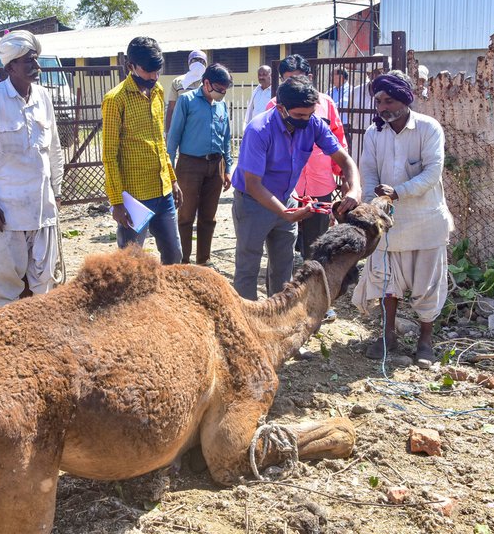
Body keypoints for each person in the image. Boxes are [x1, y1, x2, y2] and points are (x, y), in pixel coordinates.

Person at [352, 71, 453, 368]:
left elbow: (432, 173)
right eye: (378, 101)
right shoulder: (374, 133)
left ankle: (425, 340)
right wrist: (375, 204)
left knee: (428, 284)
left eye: (389, 100)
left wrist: (399, 192)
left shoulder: (428, 128)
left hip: (425, 222)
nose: (382, 107)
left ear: (405, 99)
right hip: (388, 222)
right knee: (386, 281)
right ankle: (388, 336)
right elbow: (368, 171)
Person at [231, 75, 361, 301]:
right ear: (281, 108)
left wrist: (354, 189)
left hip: (286, 200)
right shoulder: (259, 130)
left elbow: (345, 160)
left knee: (283, 265)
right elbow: (253, 184)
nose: (306, 120)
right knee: (248, 264)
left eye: (310, 114)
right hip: (253, 202)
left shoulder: (314, 123)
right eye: (300, 115)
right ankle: (245, 319)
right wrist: (283, 212)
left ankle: (278, 317)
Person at [0, 30, 63, 308]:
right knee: (4, 290)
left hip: (42, 209)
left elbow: (54, 150)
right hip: (6, 211)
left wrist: (56, 192)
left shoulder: (43, 97)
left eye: (36, 61)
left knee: (44, 285)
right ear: (10, 67)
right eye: (28, 62)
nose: (36, 67)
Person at [102, 36, 183, 265]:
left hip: (163, 191)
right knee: (130, 262)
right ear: (131, 66)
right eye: (148, 71)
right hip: (135, 199)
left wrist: (173, 179)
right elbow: (109, 155)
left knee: (174, 255)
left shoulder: (157, 91)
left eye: (158, 71)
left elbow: (160, 142)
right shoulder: (115, 100)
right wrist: (117, 202)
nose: (154, 77)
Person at [166, 63, 233, 267]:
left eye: (224, 90)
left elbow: (226, 138)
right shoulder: (186, 101)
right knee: (185, 215)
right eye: (219, 89)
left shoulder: (221, 105)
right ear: (206, 83)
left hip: (216, 166)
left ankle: (204, 260)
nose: (222, 93)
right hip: (189, 165)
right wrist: (171, 173)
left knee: (209, 216)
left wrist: (228, 168)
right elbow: (173, 138)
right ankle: (184, 262)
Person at [164, 50, 207, 134]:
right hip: (182, 127)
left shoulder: (208, 82)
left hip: (202, 126)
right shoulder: (178, 82)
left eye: (201, 61)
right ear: (189, 63)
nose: (198, 64)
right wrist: (168, 132)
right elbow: (171, 108)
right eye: (195, 60)